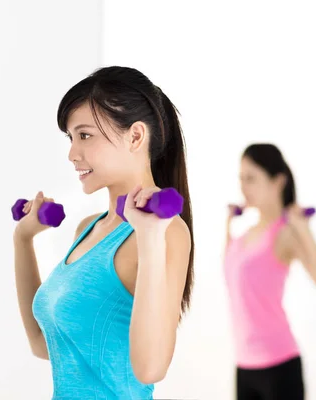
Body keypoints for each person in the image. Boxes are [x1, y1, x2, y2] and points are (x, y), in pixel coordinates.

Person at [12, 66, 194, 399]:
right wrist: (23, 240)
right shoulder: (89, 229)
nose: (71, 154)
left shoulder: (167, 233)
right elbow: (44, 345)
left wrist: (150, 237)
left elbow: (151, 369)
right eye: (71, 138)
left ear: (135, 136)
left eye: (84, 135)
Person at [224, 143, 316, 400]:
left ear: (278, 182)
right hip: (244, 364)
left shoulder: (285, 232)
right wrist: (227, 224)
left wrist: (303, 230)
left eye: (251, 178)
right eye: (241, 179)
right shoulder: (245, 235)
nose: (243, 187)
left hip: (279, 365)